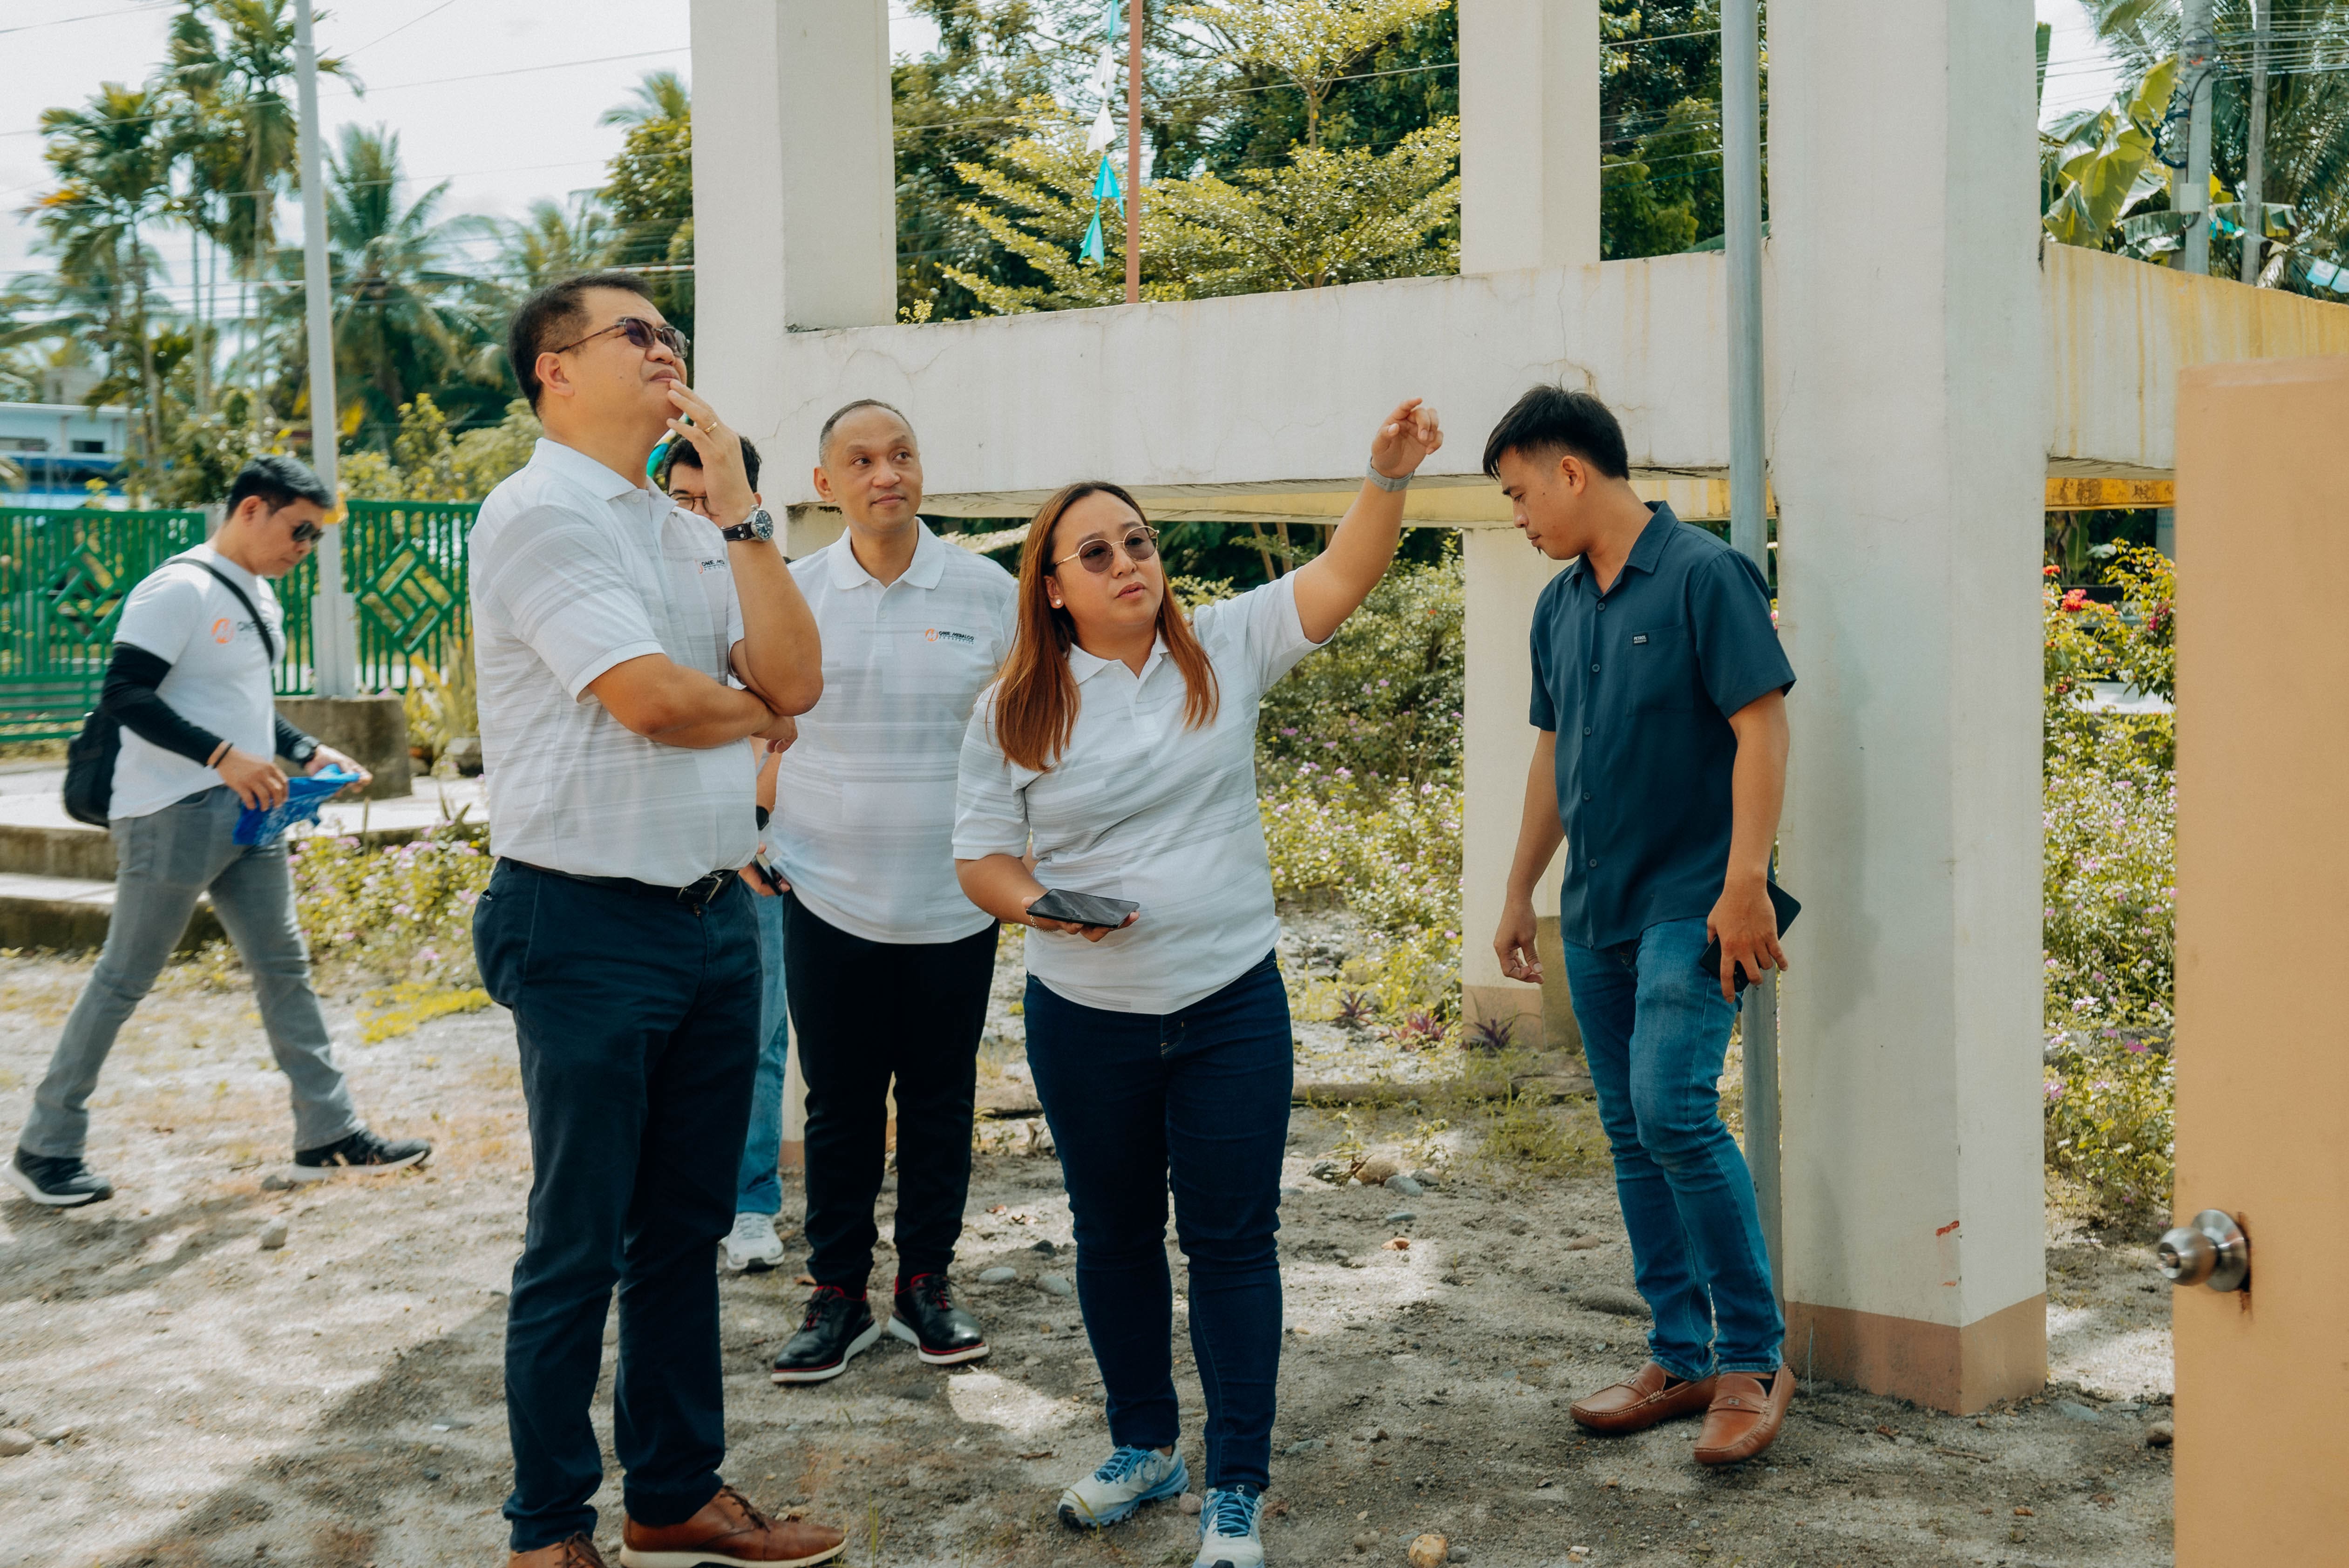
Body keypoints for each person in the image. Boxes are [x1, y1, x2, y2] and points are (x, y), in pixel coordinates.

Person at [954, 400, 1444, 1568]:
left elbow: (1342, 573)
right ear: (1053, 588)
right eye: (1097, 550)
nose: (1128, 561)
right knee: (1112, 1234)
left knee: (1230, 1241)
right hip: (1086, 1019)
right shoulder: (1015, 707)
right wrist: (1041, 906)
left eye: (1138, 541)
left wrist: (1383, 478)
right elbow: (981, 858)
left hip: (1228, 1004)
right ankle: (1143, 1445)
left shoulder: (1220, 645)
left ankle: (1235, 1487)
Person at [468, 270, 842, 1568]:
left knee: (680, 1232)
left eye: (671, 329)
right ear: (555, 371)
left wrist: (739, 507)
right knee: (576, 1242)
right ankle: (547, 1529)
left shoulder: (686, 525)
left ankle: (672, 1494)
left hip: (707, 918)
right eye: (636, 331)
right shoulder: (536, 514)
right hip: (579, 923)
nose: (665, 347)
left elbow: (795, 671)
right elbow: (651, 700)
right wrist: (751, 712)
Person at [1484, 385, 1796, 1467]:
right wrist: (1519, 887)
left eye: (1521, 492)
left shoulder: (1707, 574)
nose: (1517, 515)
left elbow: (1760, 726)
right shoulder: (1558, 607)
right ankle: (1679, 1350)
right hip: (1595, 910)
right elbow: (1550, 760)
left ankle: (1752, 1358)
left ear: (1572, 471)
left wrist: (1745, 881)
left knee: (1672, 1111)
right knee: (1628, 1130)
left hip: (1694, 901)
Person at [7, 455, 424, 1208]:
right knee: (125, 979)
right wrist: (223, 757)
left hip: (249, 814)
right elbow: (125, 693)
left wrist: (303, 750)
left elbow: (237, 701)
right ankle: (46, 1145)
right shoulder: (179, 588)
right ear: (253, 510)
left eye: (317, 537)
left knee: (284, 967)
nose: (306, 547)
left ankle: (327, 1135)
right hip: (171, 814)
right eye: (301, 531)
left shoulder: (259, 596)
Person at [765, 400, 1016, 1382]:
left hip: (953, 893)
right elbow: (758, 723)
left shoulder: (985, 590)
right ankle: (836, 1292)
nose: (887, 474)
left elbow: (1027, 732)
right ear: (825, 486)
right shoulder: (790, 594)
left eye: (902, 454)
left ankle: (926, 1283)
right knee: (838, 1103)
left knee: (941, 1098)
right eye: (861, 460)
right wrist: (748, 828)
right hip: (825, 890)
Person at [661, 433, 799, 1276]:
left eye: (712, 496)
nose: (696, 511)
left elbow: (788, 708)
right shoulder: (641, 566)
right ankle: (674, 1201)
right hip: (666, 845)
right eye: (682, 496)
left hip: (755, 844)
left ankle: (751, 1203)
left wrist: (754, 832)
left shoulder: (759, 569)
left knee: (757, 1037)